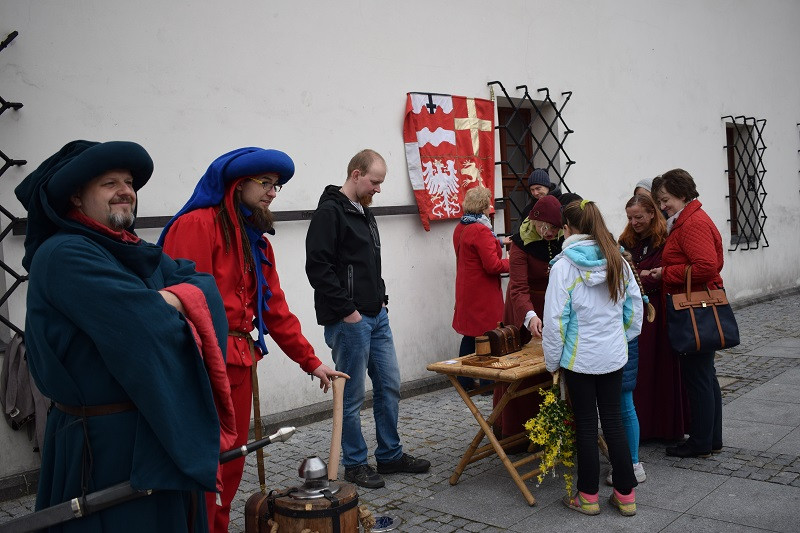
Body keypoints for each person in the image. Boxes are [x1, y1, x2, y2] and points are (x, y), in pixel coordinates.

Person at [14, 140, 231, 532]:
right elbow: (146, 328)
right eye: (109, 182)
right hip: (104, 449)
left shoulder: (134, 249)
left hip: (157, 429)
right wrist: (170, 302)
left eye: (128, 182)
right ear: (76, 196)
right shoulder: (64, 254)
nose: (125, 190)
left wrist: (167, 299)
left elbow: (204, 287)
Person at [159, 147, 347, 533]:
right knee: (204, 463)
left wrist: (310, 360)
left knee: (230, 463)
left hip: (241, 361)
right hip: (199, 362)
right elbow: (180, 305)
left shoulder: (257, 241)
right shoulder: (196, 225)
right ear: (237, 183)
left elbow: (275, 310)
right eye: (265, 184)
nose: (272, 193)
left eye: (275, 186)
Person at [305, 149, 430, 489]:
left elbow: (367, 266)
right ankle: (355, 464)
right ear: (356, 174)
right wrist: (349, 311)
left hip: (376, 316)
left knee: (389, 385)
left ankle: (389, 456)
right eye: (375, 182)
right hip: (350, 321)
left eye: (381, 183)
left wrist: (381, 300)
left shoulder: (364, 212)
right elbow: (318, 268)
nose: (378, 189)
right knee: (351, 395)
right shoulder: (330, 212)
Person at [543, 199, 643, 517]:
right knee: (613, 421)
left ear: (568, 229)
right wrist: (619, 339)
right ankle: (626, 496)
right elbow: (634, 310)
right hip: (612, 356)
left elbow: (555, 321)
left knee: (586, 426)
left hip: (579, 359)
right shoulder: (618, 260)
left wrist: (552, 361)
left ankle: (587, 497)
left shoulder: (563, 267)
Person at [650, 169, 725, 458]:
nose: (663, 205)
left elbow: (707, 266)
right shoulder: (689, 219)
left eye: (665, 199)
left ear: (682, 195)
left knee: (698, 376)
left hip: (693, 308)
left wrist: (665, 272)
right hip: (697, 306)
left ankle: (701, 442)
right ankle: (710, 438)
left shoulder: (691, 223)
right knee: (705, 374)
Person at [619, 194, 690, 443]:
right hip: (634, 311)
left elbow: (660, 274)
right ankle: (642, 427)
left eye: (638, 217)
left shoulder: (664, 239)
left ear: (651, 213)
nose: (634, 222)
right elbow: (622, 271)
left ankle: (663, 427)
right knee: (638, 370)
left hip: (657, 312)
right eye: (630, 217)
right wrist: (645, 274)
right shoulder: (626, 239)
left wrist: (643, 275)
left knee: (658, 366)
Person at [493, 195, 564, 444]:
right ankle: (518, 432)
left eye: (556, 228)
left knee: (552, 368)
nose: (550, 232)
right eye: (547, 227)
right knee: (524, 369)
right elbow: (518, 288)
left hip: (553, 305)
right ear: (535, 220)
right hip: (524, 308)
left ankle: (552, 428)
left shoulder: (562, 240)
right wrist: (530, 315)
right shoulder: (521, 244)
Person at [452, 186, 509, 391]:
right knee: (488, 333)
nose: (491, 207)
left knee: (470, 335)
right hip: (483, 292)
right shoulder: (481, 230)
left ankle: (464, 380)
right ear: (484, 206)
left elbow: (474, 252)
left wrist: (499, 241)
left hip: (467, 288)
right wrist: (514, 263)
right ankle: (487, 382)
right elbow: (493, 265)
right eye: (489, 203)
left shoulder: (462, 226)